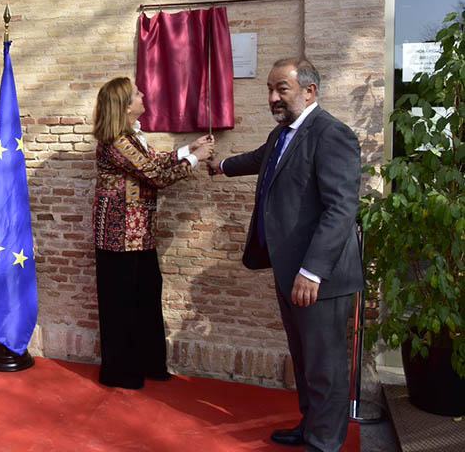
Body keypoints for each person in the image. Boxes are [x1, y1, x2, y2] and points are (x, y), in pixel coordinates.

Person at [207, 58, 362, 452]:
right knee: (305, 359)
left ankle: (325, 443)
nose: (274, 98)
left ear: (309, 91)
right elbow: (261, 159)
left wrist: (312, 272)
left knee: (324, 366)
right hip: (290, 270)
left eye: (282, 90)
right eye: (270, 90)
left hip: (319, 277)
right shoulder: (284, 133)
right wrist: (221, 166)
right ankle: (311, 426)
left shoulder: (331, 134)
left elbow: (340, 209)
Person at [92, 77, 214, 390]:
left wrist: (190, 148)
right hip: (118, 238)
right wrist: (195, 160)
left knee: (146, 297)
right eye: (135, 93)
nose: (142, 94)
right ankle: (120, 371)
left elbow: (155, 161)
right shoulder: (116, 141)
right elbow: (155, 175)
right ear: (124, 105)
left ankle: (150, 364)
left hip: (140, 234)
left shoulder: (133, 136)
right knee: (122, 304)